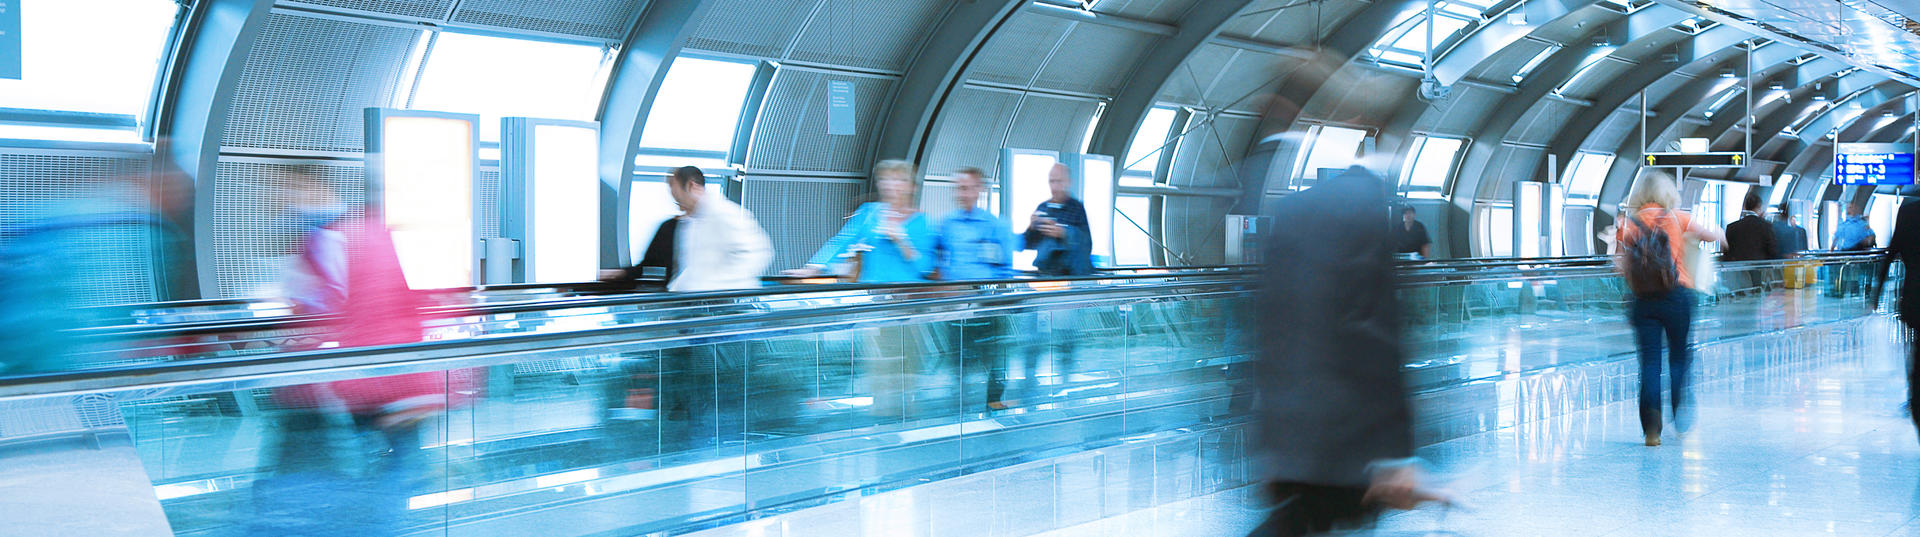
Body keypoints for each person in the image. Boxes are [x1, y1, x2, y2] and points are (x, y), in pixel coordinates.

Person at [1244, 166, 1446, 537]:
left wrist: (1271, 443)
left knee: (1297, 519)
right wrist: (1397, 452)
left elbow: (1270, 336)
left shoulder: (1290, 215)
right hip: (1346, 436)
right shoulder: (1364, 223)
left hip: (1291, 431)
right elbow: (1377, 341)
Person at [1615, 171, 1723, 447]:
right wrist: (1719, 235)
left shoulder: (1627, 224)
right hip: (1677, 295)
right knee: (1678, 358)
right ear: (1667, 194)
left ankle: (1652, 429)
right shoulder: (1677, 217)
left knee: (1649, 363)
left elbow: (1619, 266)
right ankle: (1681, 415)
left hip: (1643, 301)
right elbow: (1712, 236)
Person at [934, 168, 1022, 411]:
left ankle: (994, 401)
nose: (961, 193)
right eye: (958, 188)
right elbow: (937, 259)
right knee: (958, 358)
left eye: (966, 187)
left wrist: (998, 300)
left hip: (988, 304)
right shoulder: (948, 224)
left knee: (993, 357)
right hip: (957, 305)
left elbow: (1005, 268)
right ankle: (960, 407)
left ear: (979, 190)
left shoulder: (996, 226)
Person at [794, 160, 937, 282]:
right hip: (871, 292)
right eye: (884, 179)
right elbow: (842, 241)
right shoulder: (868, 212)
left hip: (906, 295)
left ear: (912, 187)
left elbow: (925, 268)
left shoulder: (923, 222)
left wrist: (902, 241)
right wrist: (815, 267)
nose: (889, 185)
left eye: (898, 180)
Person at [662, 166, 773, 292]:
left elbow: (758, 252)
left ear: (691, 186)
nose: (675, 201)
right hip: (699, 298)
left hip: (721, 300)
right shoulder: (693, 221)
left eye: (677, 195)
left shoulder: (724, 212)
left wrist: (717, 285)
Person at [1882, 194, 1920, 439]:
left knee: (1916, 352)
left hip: (1915, 299)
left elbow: (1891, 253)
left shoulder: (1908, 212)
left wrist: (1875, 294)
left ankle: (1914, 396)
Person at [1024, 163, 1094, 277]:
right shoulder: (1043, 207)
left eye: (1059, 181)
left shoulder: (1077, 208)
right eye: (1052, 181)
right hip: (1046, 274)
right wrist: (1031, 228)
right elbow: (1028, 244)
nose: (1055, 187)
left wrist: (1063, 232)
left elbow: (1086, 244)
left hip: (1071, 275)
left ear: (1068, 182)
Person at [1722, 192, 1779, 262]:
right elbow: (1772, 251)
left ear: (1745, 206)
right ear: (1759, 207)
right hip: (1759, 269)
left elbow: (1728, 251)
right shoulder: (1766, 226)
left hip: (1737, 269)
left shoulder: (1731, 227)